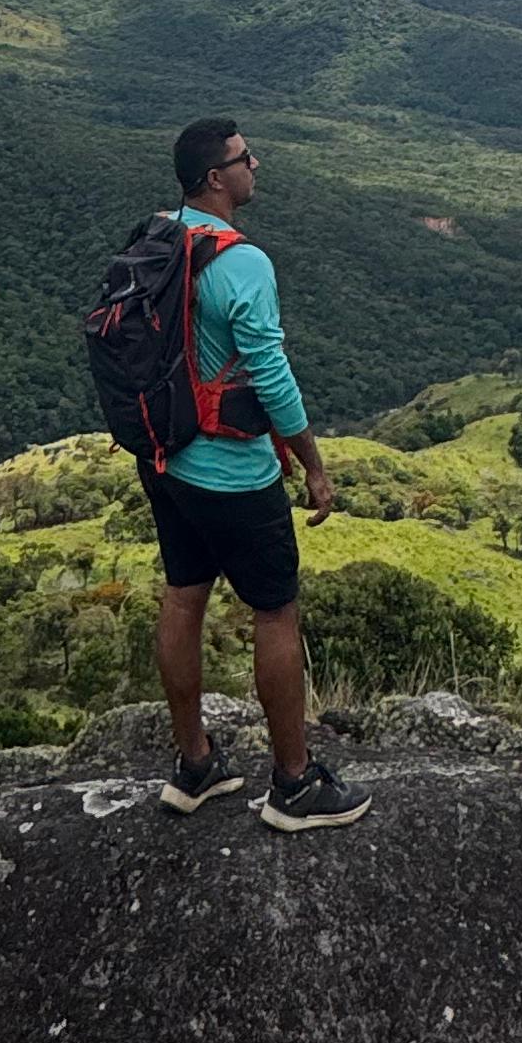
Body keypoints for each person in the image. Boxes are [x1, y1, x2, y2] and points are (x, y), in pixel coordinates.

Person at [147, 117, 371, 832]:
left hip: (167, 461)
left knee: (184, 598)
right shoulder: (242, 262)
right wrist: (313, 466)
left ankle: (194, 765)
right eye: (246, 159)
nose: (257, 167)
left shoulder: (161, 238)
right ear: (217, 177)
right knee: (274, 610)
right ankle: (295, 785)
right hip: (233, 474)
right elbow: (271, 378)